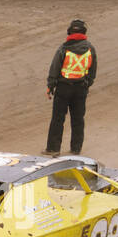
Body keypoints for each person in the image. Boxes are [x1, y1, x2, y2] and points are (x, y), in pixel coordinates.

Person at [44, 18, 96, 156]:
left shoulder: (63, 48)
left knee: (58, 119)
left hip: (63, 88)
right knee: (78, 119)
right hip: (80, 89)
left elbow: (54, 68)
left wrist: (50, 86)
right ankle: (76, 149)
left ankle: (53, 148)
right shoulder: (90, 48)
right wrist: (86, 84)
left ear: (69, 32)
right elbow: (92, 71)